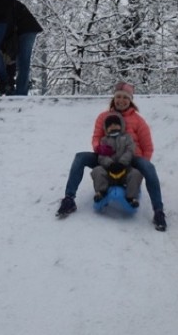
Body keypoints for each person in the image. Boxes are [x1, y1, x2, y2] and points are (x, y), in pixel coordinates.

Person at [56, 82, 168, 231]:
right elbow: (96, 137)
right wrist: (100, 149)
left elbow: (147, 146)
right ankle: (69, 199)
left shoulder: (138, 121)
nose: (121, 100)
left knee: (149, 168)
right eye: (118, 97)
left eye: (125, 98)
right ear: (113, 99)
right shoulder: (103, 117)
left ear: (131, 100)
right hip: (106, 157)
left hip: (131, 159)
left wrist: (140, 167)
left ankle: (158, 211)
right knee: (80, 157)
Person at [90, 113, 143, 206]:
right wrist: (110, 164)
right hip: (109, 171)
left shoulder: (127, 137)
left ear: (121, 126)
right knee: (97, 171)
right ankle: (101, 192)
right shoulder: (104, 140)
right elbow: (102, 155)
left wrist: (122, 163)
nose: (113, 126)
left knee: (135, 173)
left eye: (115, 124)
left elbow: (130, 150)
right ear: (106, 128)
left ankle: (131, 197)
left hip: (124, 170)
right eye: (110, 125)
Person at [1, 0, 43, 96]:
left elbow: (7, 28)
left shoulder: (4, 5)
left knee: (23, 61)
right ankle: (16, 90)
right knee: (18, 61)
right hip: (19, 30)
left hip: (27, 30)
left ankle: (21, 92)